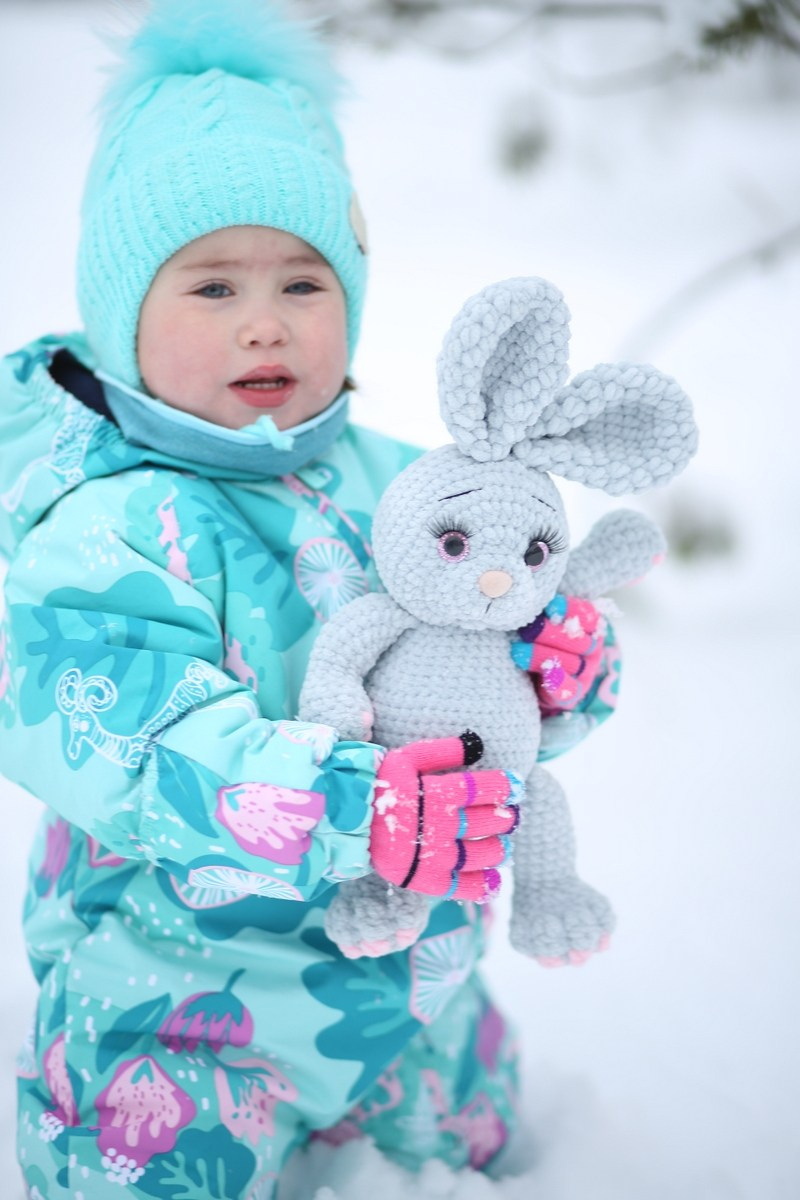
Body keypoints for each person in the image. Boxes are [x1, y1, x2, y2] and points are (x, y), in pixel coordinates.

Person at [0, 2, 618, 1196]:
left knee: (489, 1154)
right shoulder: (102, 530)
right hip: (180, 1005)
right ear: (123, 311)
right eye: (212, 288)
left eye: (303, 279)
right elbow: (137, 749)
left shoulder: (401, 486)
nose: (268, 320)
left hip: (410, 989)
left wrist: (559, 668)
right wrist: (350, 806)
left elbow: (492, 679)